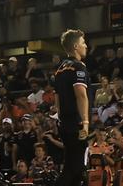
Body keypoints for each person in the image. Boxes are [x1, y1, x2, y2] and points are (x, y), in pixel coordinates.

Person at [53, 29, 90, 186]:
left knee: (75, 169)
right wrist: (85, 122)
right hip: (76, 123)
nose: (86, 46)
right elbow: (81, 95)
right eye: (83, 43)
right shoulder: (78, 67)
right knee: (73, 168)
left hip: (65, 123)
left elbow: (57, 98)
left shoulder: (60, 69)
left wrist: (60, 120)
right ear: (75, 46)